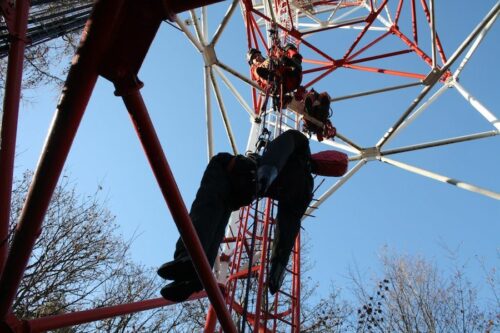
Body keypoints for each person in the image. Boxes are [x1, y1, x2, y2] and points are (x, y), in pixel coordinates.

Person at [158, 130, 314, 302]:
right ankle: (194, 276)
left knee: (207, 206)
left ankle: (188, 256)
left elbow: (285, 143)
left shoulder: (300, 146)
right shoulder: (304, 192)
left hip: (238, 171)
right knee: (218, 217)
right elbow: (287, 228)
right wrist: (277, 269)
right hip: (245, 192)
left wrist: (269, 170)